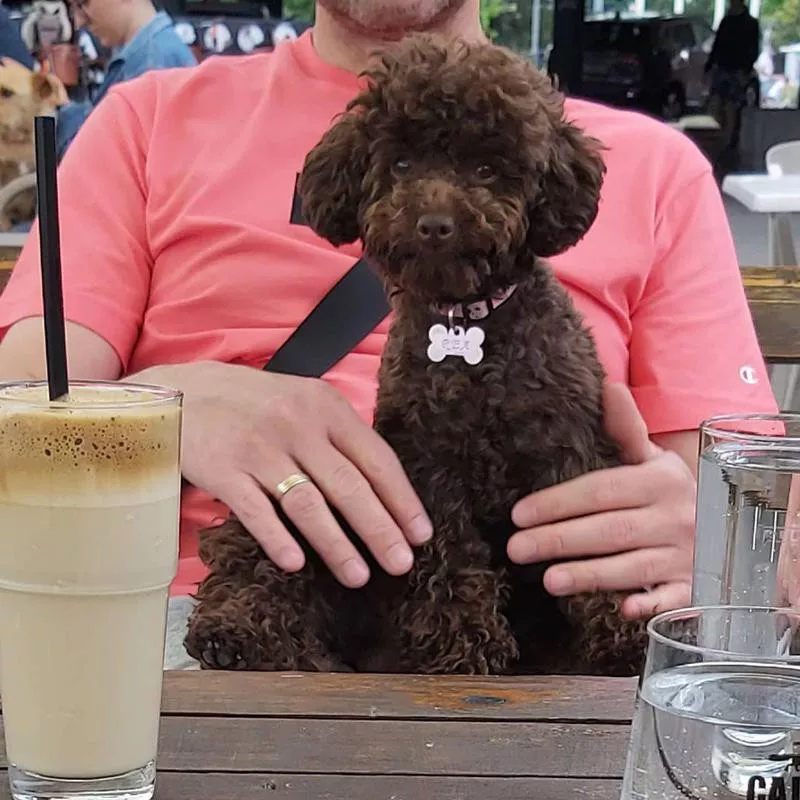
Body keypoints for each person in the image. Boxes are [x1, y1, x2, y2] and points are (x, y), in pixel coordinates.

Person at [0, 0, 778, 661]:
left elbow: (760, 529)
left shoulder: (655, 169)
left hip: (549, 657)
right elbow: (21, 419)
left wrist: (718, 556)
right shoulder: (143, 121)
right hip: (185, 641)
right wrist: (160, 408)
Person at [55, 0, 196, 157]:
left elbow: (101, 161)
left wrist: (64, 113)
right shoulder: (148, 57)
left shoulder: (153, 64)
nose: (79, 22)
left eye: (83, 4)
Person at [705, 0, 760, 148]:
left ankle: (727, 141)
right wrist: (710, 65)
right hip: (723, 68)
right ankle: (716, 138)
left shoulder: (750, 23)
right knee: (716, 103)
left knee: (731, 106)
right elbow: (717, 45)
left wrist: (745, 70)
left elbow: (753, 49)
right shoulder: (727, 21)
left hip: (737, 70)